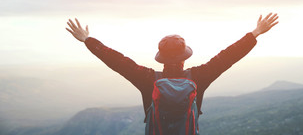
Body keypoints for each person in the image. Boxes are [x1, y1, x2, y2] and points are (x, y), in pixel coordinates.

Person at [66, 13, 278, 134]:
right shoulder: (199, 77)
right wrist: (255, 33)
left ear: (161, 57)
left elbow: (118, 61)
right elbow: (227, 57)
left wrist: (88, 40)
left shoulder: (147, 79)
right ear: (184, 57)